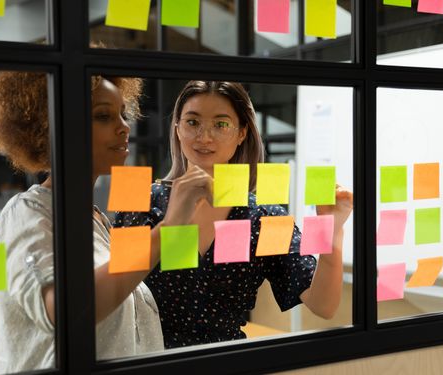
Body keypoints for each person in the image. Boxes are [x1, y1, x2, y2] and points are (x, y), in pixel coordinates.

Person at [0, 72, 202, 372]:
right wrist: (169, 228)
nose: (124, 126)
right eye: (103, 116)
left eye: (123, 114)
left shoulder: (95, 220)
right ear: (54, 127)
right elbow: (65, 311)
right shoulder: (26, 215)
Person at [114, 81, 353, 349]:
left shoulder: (263, 216)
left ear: (241, 133)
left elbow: (323, 304)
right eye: (193, 122)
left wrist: (332, 230)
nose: (205, 137)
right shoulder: (143, 203)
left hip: (228, 361)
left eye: (221, 124)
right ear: (177, 128)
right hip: (148, 360)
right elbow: (114, 294)